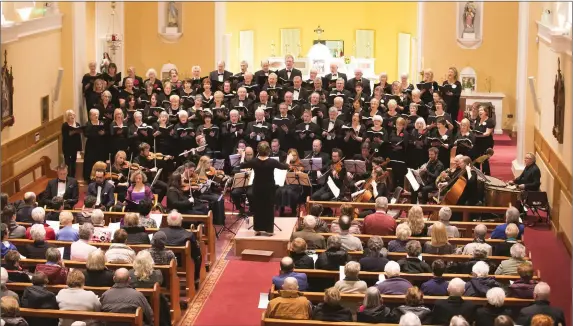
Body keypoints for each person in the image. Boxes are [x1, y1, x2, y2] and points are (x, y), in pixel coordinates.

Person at [239, 141, 289, 236]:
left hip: (257, 187)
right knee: (269, 208)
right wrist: (289, 159)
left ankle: (257, 229)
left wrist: (242, 155)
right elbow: (285, 167)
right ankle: (269, 230)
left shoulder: (254, 161)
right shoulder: (272, 162)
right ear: (268, 151)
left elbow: (242, 165)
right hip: (269, 188)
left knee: (258, 208)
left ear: (258, 150)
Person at [160, 210, 202, 287]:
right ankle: (196, 278)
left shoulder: (160, 232)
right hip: (181, 264)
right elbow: (196, 254)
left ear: (168, 221)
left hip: (163, 262)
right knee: (198, 256)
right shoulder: (189, 235)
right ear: (181, 221)